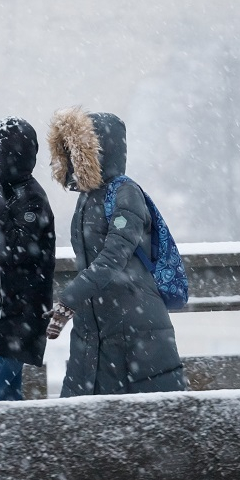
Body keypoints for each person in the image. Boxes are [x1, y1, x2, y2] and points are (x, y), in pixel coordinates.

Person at [44, 106, 186, 397]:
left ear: (99, 151)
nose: (72, 157)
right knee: (82, 424)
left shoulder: (125, 193)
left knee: (144, 425)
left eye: (78, 149)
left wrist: (70, 299)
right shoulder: (87, 198)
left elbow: (113, 257)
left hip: (134, 325)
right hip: (94, 326)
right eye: (68, 150)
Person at [0, 116, 56, 401]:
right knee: (7, 402)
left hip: (16, 321)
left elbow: (12, 253)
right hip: (0, 320)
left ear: (10, 154)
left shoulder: (30, 198)